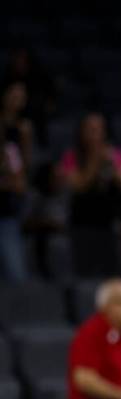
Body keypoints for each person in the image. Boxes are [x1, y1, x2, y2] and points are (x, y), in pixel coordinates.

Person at [59, 112, 121, 276]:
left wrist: (113, 165)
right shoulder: (71, 157)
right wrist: (94, 159)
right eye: (90, 129)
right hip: (81, 225)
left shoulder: (114, 155)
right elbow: (77, 186)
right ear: (81, 131)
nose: (95, 133)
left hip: (108, 225)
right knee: (84, 276)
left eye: (98, 129)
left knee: (112, 276)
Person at [0, 82, 31, 280]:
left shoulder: (23, 129)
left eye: (21, 97)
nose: (16, 101)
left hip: (7, 209)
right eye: (13, 95)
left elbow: (20, 170)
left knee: (16, 276)